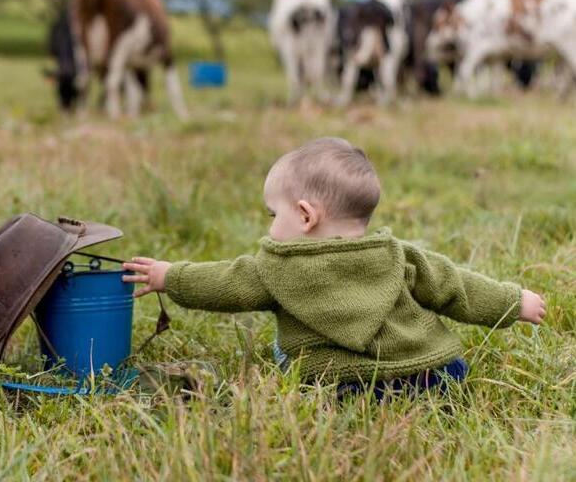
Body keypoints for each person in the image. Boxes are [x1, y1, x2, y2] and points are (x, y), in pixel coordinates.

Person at [122, 137, 546, 399]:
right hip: (433, 376)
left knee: (281, 348)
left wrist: (169, 275)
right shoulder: (398, 255)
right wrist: (514, 302)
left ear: (305, 216)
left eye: (274, 214)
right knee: (442, 366)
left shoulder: (273, 269)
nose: (271, 224)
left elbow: (221, 284)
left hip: (338, 386)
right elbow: (457, 287)